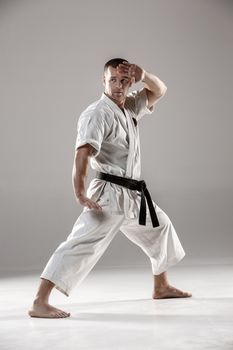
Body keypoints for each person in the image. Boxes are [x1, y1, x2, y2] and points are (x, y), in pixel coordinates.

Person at [28, 58, 192, 319]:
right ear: (103, 81)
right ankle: (40, 301)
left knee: (161, 228)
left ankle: (160, 286)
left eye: (124, 80)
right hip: (108, 194)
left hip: (133, 194)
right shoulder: (96, 113)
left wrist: (145, 74)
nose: (118, 86)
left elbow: (160, 90)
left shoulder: (129, 107)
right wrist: (80, 193)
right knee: (82, 244)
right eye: (113, 80)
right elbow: (82, 155)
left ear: (131, 82)